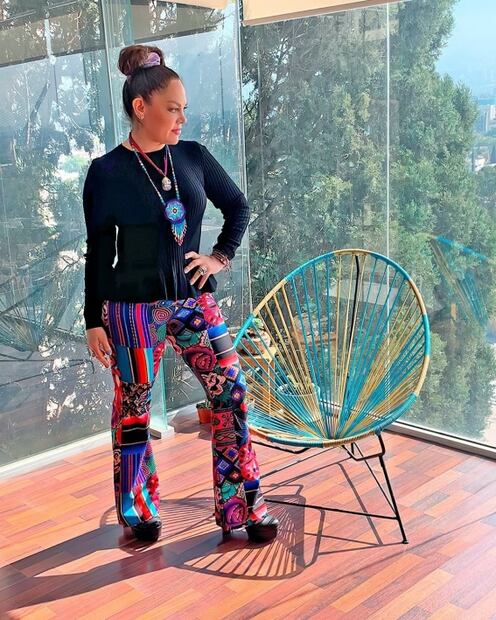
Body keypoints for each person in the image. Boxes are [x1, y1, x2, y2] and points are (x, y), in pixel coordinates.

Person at [83, 44, 278, 544]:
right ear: (140, 107)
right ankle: (138, 511)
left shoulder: (192, 157)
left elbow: (238, 206)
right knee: (133, 408)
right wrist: (93, 320)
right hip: (130, 310)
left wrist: (219, 257)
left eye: (184, 108)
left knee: (231, 393)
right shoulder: (106, 172)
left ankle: (242, 506)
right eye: (173, 108)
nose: (182, 118)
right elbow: (98, 250)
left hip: (194, 301)